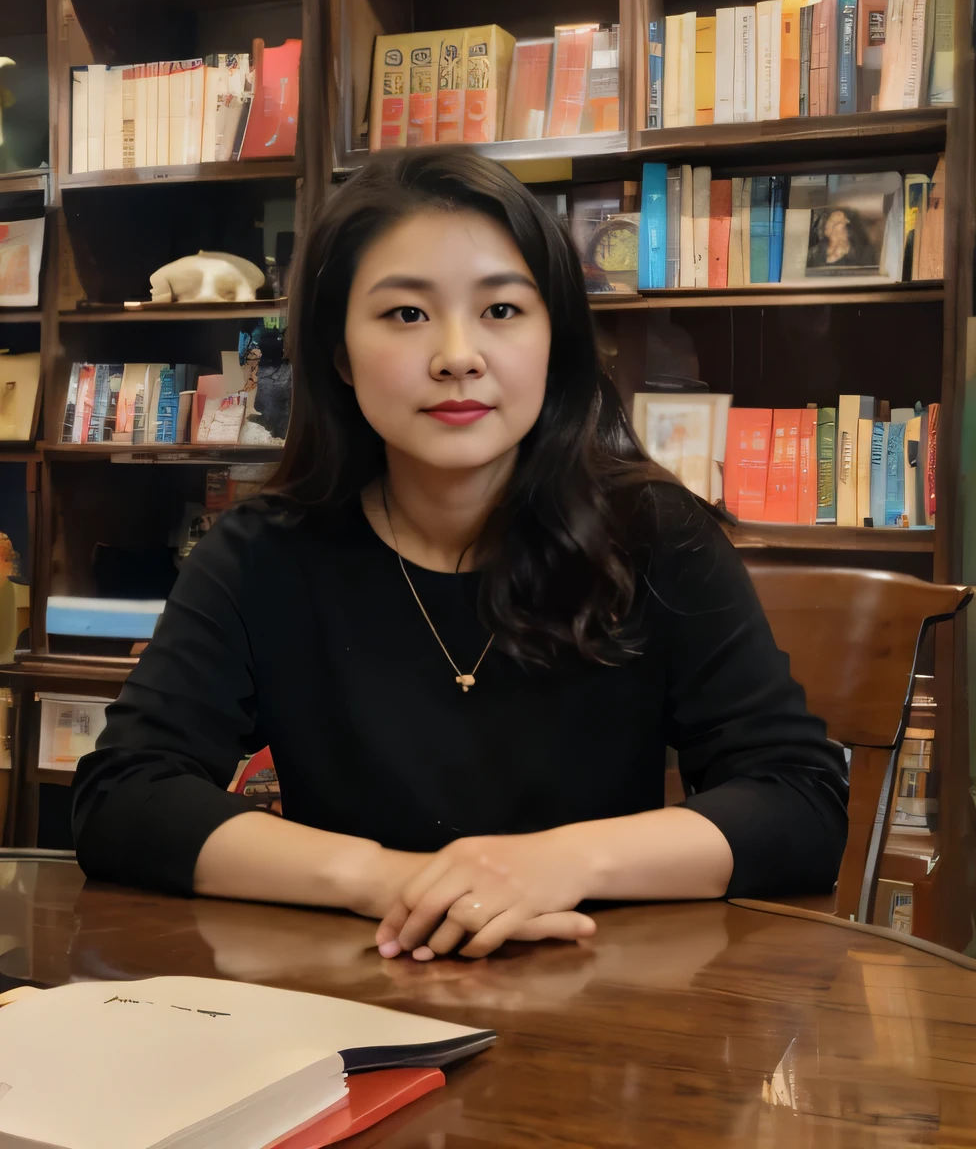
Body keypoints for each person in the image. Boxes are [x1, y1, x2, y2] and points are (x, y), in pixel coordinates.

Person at [73, 149, 848, 962]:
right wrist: (391, 880)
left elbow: (799, 802)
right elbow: (125, 796)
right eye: (405, 315)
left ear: (555, 341)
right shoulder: (262, 553)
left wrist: (560, 863)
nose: (457, 355)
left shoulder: (655, 537)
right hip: (348, 1007)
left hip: (604, 1016)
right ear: (338, 352)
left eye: (503, 311)